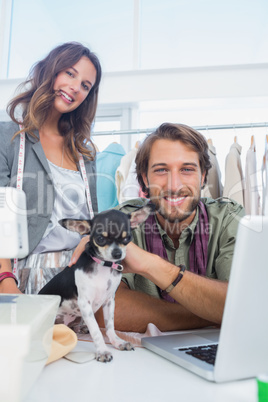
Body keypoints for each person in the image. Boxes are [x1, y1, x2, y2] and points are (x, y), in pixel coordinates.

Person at [102, 122, 245, 333]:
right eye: (161, 170)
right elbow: (105, 309)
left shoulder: (228, 219)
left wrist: (151, 265)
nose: (174, 186)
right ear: (144, 178)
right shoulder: (119, 222)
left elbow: (245, 302)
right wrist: (213, 312)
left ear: (203, 176)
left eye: (187, 169)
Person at [0, 41, 102, 295]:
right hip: (23, 276)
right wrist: (5, 280)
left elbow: (92, 223)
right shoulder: (8, 138)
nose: (75, 88)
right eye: (70, 73)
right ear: (51, 70)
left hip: (83, 272)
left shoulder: (84, 153)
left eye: (85, 86)